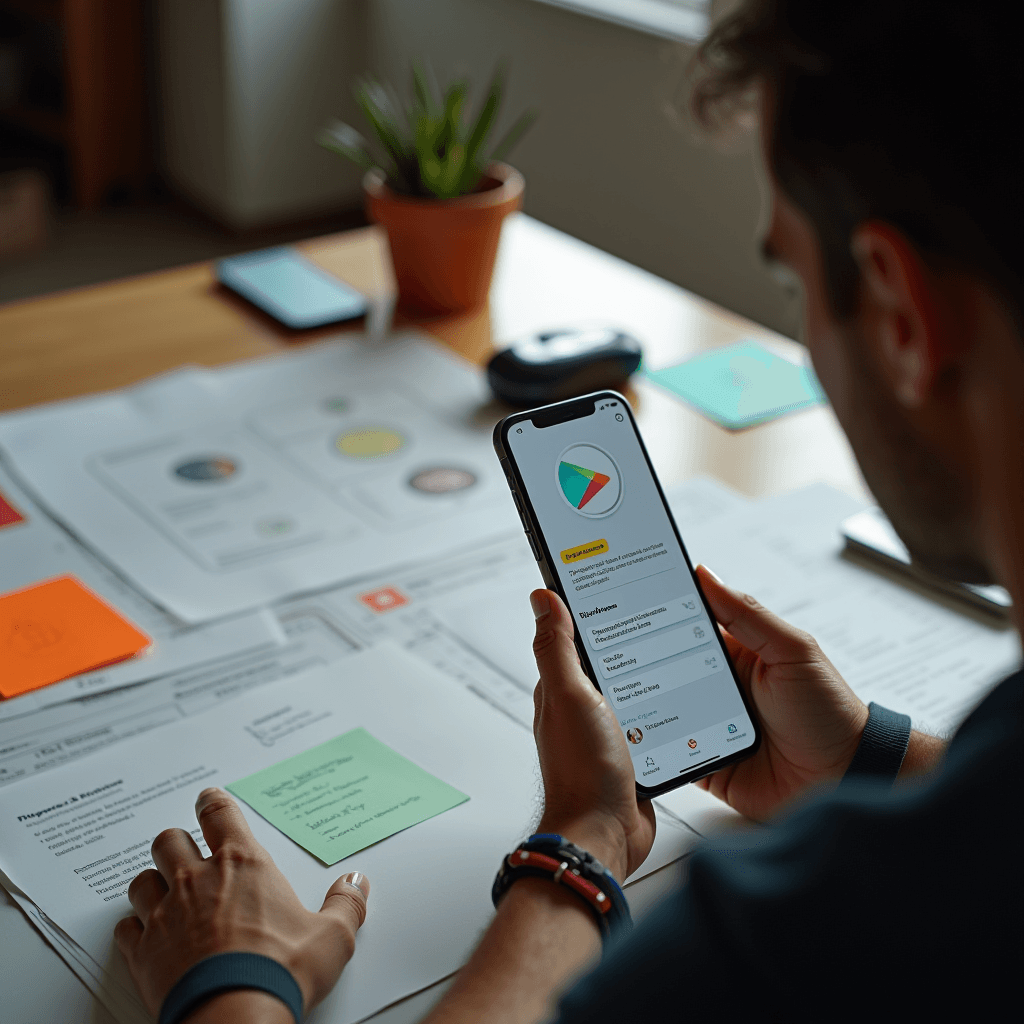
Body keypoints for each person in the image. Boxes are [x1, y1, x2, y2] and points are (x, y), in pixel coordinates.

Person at [114, 1, 1023, 1020]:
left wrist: (230, 983)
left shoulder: (790, 943)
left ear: (899, 315)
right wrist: (866, 755)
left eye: (791, 280)